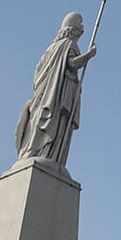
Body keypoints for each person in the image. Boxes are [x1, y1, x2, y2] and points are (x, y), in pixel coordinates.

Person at [15, 13, 97, 168]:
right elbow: (72, 63)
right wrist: (89, 55)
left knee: (46, 122)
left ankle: (42, 154)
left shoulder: (51, 48)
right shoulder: (68, 45)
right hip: (58, 93)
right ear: (74, 29)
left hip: (49, 93)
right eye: (80, 26)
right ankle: (49, 156)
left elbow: (38, 73)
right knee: (55, 123)